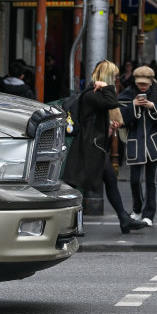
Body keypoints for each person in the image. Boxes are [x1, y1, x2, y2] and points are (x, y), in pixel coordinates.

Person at [63, 60, 147, 234]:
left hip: (93, 145)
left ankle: (123, 219)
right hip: (89, 146)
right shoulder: (93, 93)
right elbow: (111, 102)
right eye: (114, 77)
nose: (116, 81)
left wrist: (109, 125)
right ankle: (70, 225)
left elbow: (102, 112)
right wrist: (105, 87)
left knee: (106, 181)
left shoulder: (96, 93)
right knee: (75, 185)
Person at [118, 66, 157, 227]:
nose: (142, 87)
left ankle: (149, 214)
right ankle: (136, 209)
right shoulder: (128, 93)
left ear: (151, 82)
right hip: (135, 143)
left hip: (153, 144)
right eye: (140, 84)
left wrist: (152, 106)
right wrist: (133, 105)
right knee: (135, 180)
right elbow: (120, 117)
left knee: (151, 181)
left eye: (145, 84)